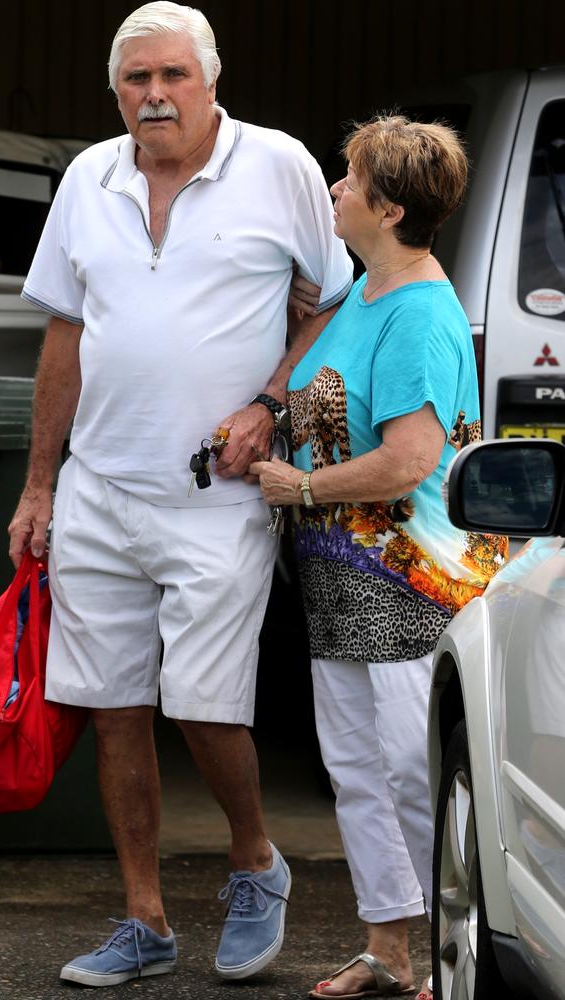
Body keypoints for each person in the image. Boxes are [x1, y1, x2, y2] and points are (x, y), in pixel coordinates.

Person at [7, 1, 352, 988]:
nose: (153, 96)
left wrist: (269, 402)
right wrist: (40, 485)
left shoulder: (276, 163)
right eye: (134, 80)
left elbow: (334, 296)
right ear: (116, 91)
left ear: (209, 81)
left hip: (216, 494)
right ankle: (144, 919)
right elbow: (63, 336)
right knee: (114, 706)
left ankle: (253, 861)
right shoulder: (88, 177)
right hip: (100, 489)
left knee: (203, 705)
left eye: (172, 77)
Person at [250, 115, 508, 1000]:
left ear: (389, 208)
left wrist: (302, 490)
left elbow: (410, 457)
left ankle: (445, 957)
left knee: (412, 778)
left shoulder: (422, 313)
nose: (333, 191)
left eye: (348, 180)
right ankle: (388, 953)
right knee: (359, 772)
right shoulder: (364, 294)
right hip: (342, 584)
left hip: (409, 583)